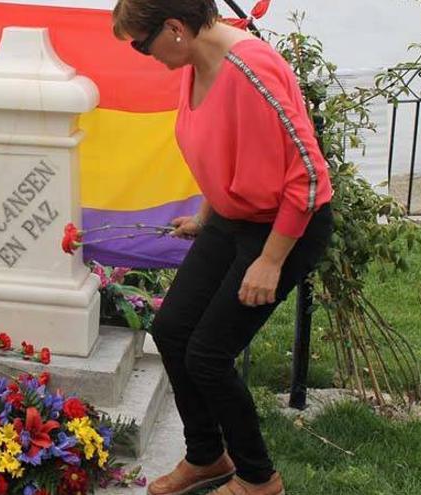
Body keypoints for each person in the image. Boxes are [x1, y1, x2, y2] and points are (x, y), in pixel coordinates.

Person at [112, 1, 334, 494]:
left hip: (283, 227)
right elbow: (223, 150)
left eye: (140, 44)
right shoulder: (196, 67)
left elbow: (310, 177)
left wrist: (271, 261)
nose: (143, 55)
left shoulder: (251, 70)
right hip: (230, 220)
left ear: (174, 28)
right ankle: (208, 457)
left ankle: (259, 479)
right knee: (172, 331)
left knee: (208, 355)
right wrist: (205, 215)